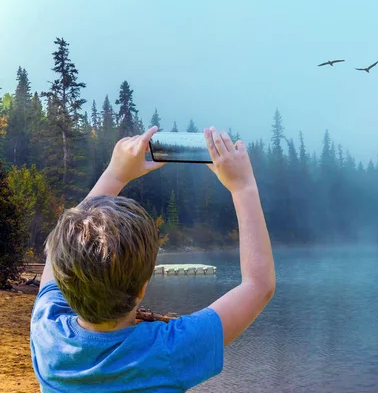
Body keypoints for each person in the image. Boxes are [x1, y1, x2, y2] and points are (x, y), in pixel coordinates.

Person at [30, 126, 276, 392]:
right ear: (143, 285)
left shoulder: (48, 335)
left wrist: (115, 173)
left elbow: (56, 258)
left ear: (66, 282)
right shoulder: (167, 351)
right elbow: (259, 286)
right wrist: (243, 187)